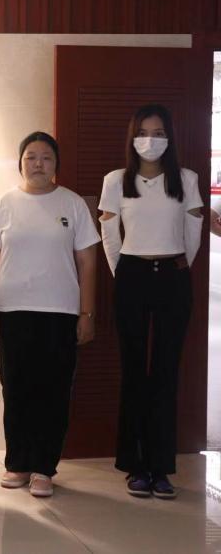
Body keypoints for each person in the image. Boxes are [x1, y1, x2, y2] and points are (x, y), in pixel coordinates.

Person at [0, 131, 98, 498]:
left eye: (46, 157)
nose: (38, 164)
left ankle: (44, 467)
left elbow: (88, 262)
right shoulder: (5, 204)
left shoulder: (72, 204)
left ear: (56, 164)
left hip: (60, 313)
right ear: (21, 163)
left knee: (54, 391)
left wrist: (87, 313)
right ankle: (18, 463)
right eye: (31, 157)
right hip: (12, 311)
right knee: (16, 389)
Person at [99, 104, 203, 500]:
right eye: (143, 132)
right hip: (132, 275)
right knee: (133, 371)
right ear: (133, 136)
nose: (151, 140)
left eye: (159, 133)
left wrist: (179, 264)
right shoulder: (116, 180)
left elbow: (193, 229)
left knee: (165, 371)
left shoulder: (186, 179)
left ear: (169, 137)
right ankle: (134, 466)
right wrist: (123, 272)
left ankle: (161, 468)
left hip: (173, 277)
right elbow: (109, 231)